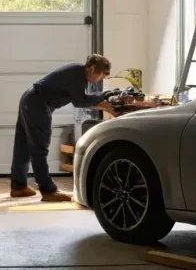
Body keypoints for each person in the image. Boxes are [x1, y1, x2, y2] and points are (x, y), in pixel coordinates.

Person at [9, 54, 128, 201]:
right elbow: (80, 101)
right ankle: (48, 191)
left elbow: (81, 99)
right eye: (102, 75)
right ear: (92, 69)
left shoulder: (77, 72)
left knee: (23, 146)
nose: (100, 79)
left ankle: (18, 186)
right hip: (37, 104)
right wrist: (103, 96)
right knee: (39, 148)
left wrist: (104, 103)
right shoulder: (77, 75)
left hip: (30, 99)